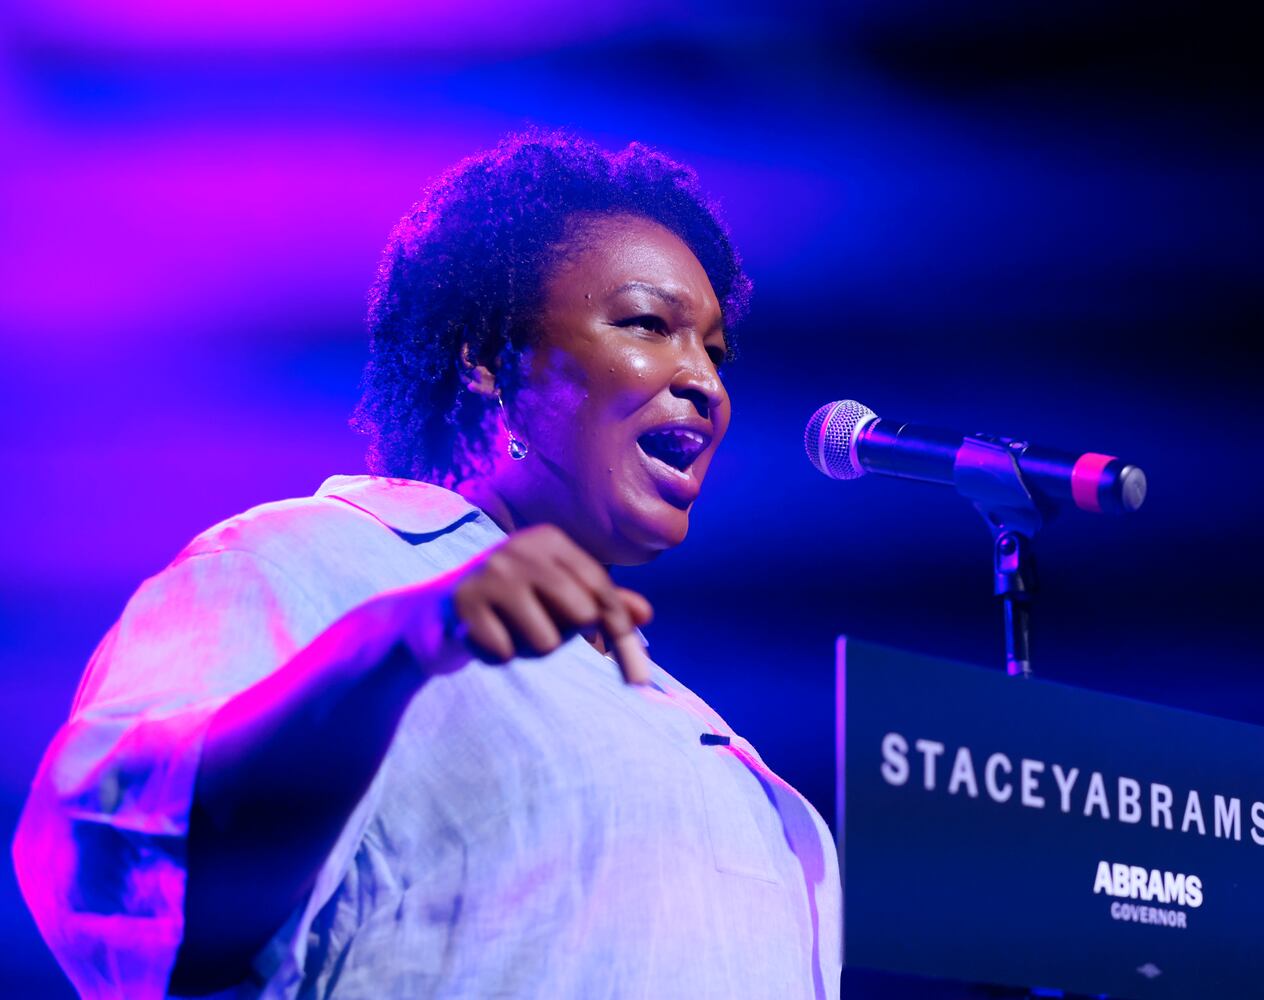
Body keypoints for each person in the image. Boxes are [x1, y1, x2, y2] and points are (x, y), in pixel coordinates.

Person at [13, 132, 842, 999]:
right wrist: (399, 644)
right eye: (648, 325)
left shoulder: (708, 742)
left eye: (715, 351)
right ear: (490, 356)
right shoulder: (307, 564)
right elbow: (130, 879)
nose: (705, 381)